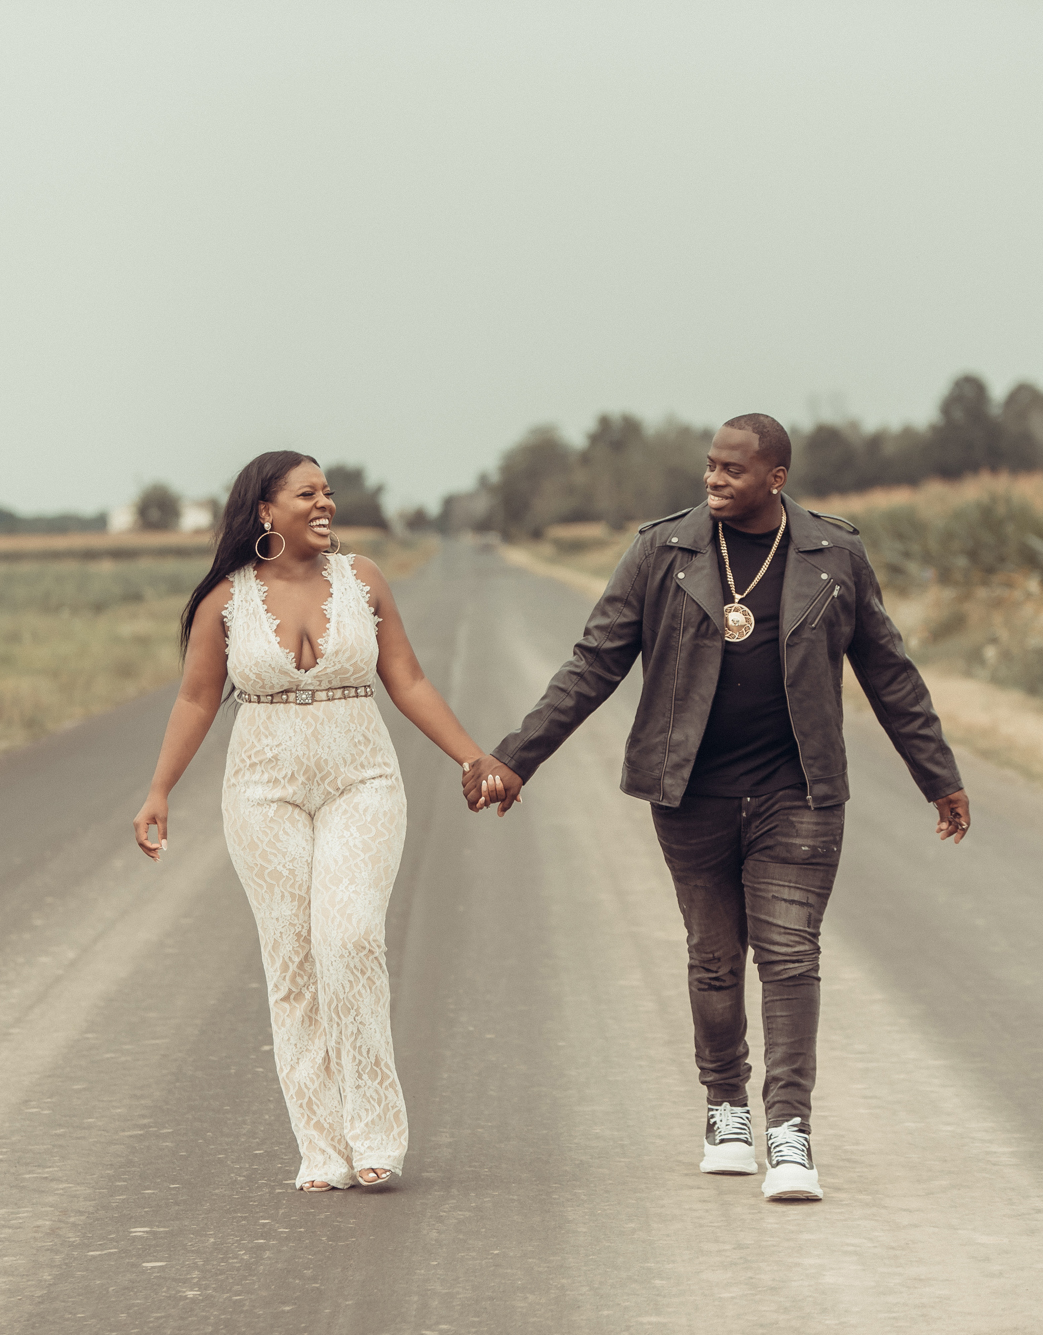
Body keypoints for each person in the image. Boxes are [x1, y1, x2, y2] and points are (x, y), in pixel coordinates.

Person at [461, 413, 971, 1202]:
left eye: (733, 470)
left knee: (792, 954)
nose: (714, 479)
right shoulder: (661, 551)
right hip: (690, 791)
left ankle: (790, 1129)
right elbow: (594, 663)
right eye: (710, 466)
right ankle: (726, 1105)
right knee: (713, 954)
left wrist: (936, 772)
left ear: (776, 478)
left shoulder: (836, 554)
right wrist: (516, 756)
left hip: (797, 792)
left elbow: (888, 671)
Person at [134, 451, 503, 1192]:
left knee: (350, 935)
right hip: (262, 788)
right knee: (292, 959)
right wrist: (159, 790)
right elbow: (197, 701)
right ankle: (322, 1145)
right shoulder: (226, 602)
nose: (326, 503)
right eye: (309, 493)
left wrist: (474, 757)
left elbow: (408, 679)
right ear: (266, 512)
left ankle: (375, 1133)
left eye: (328, 491)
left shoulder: (362, 580)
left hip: (360, 776)